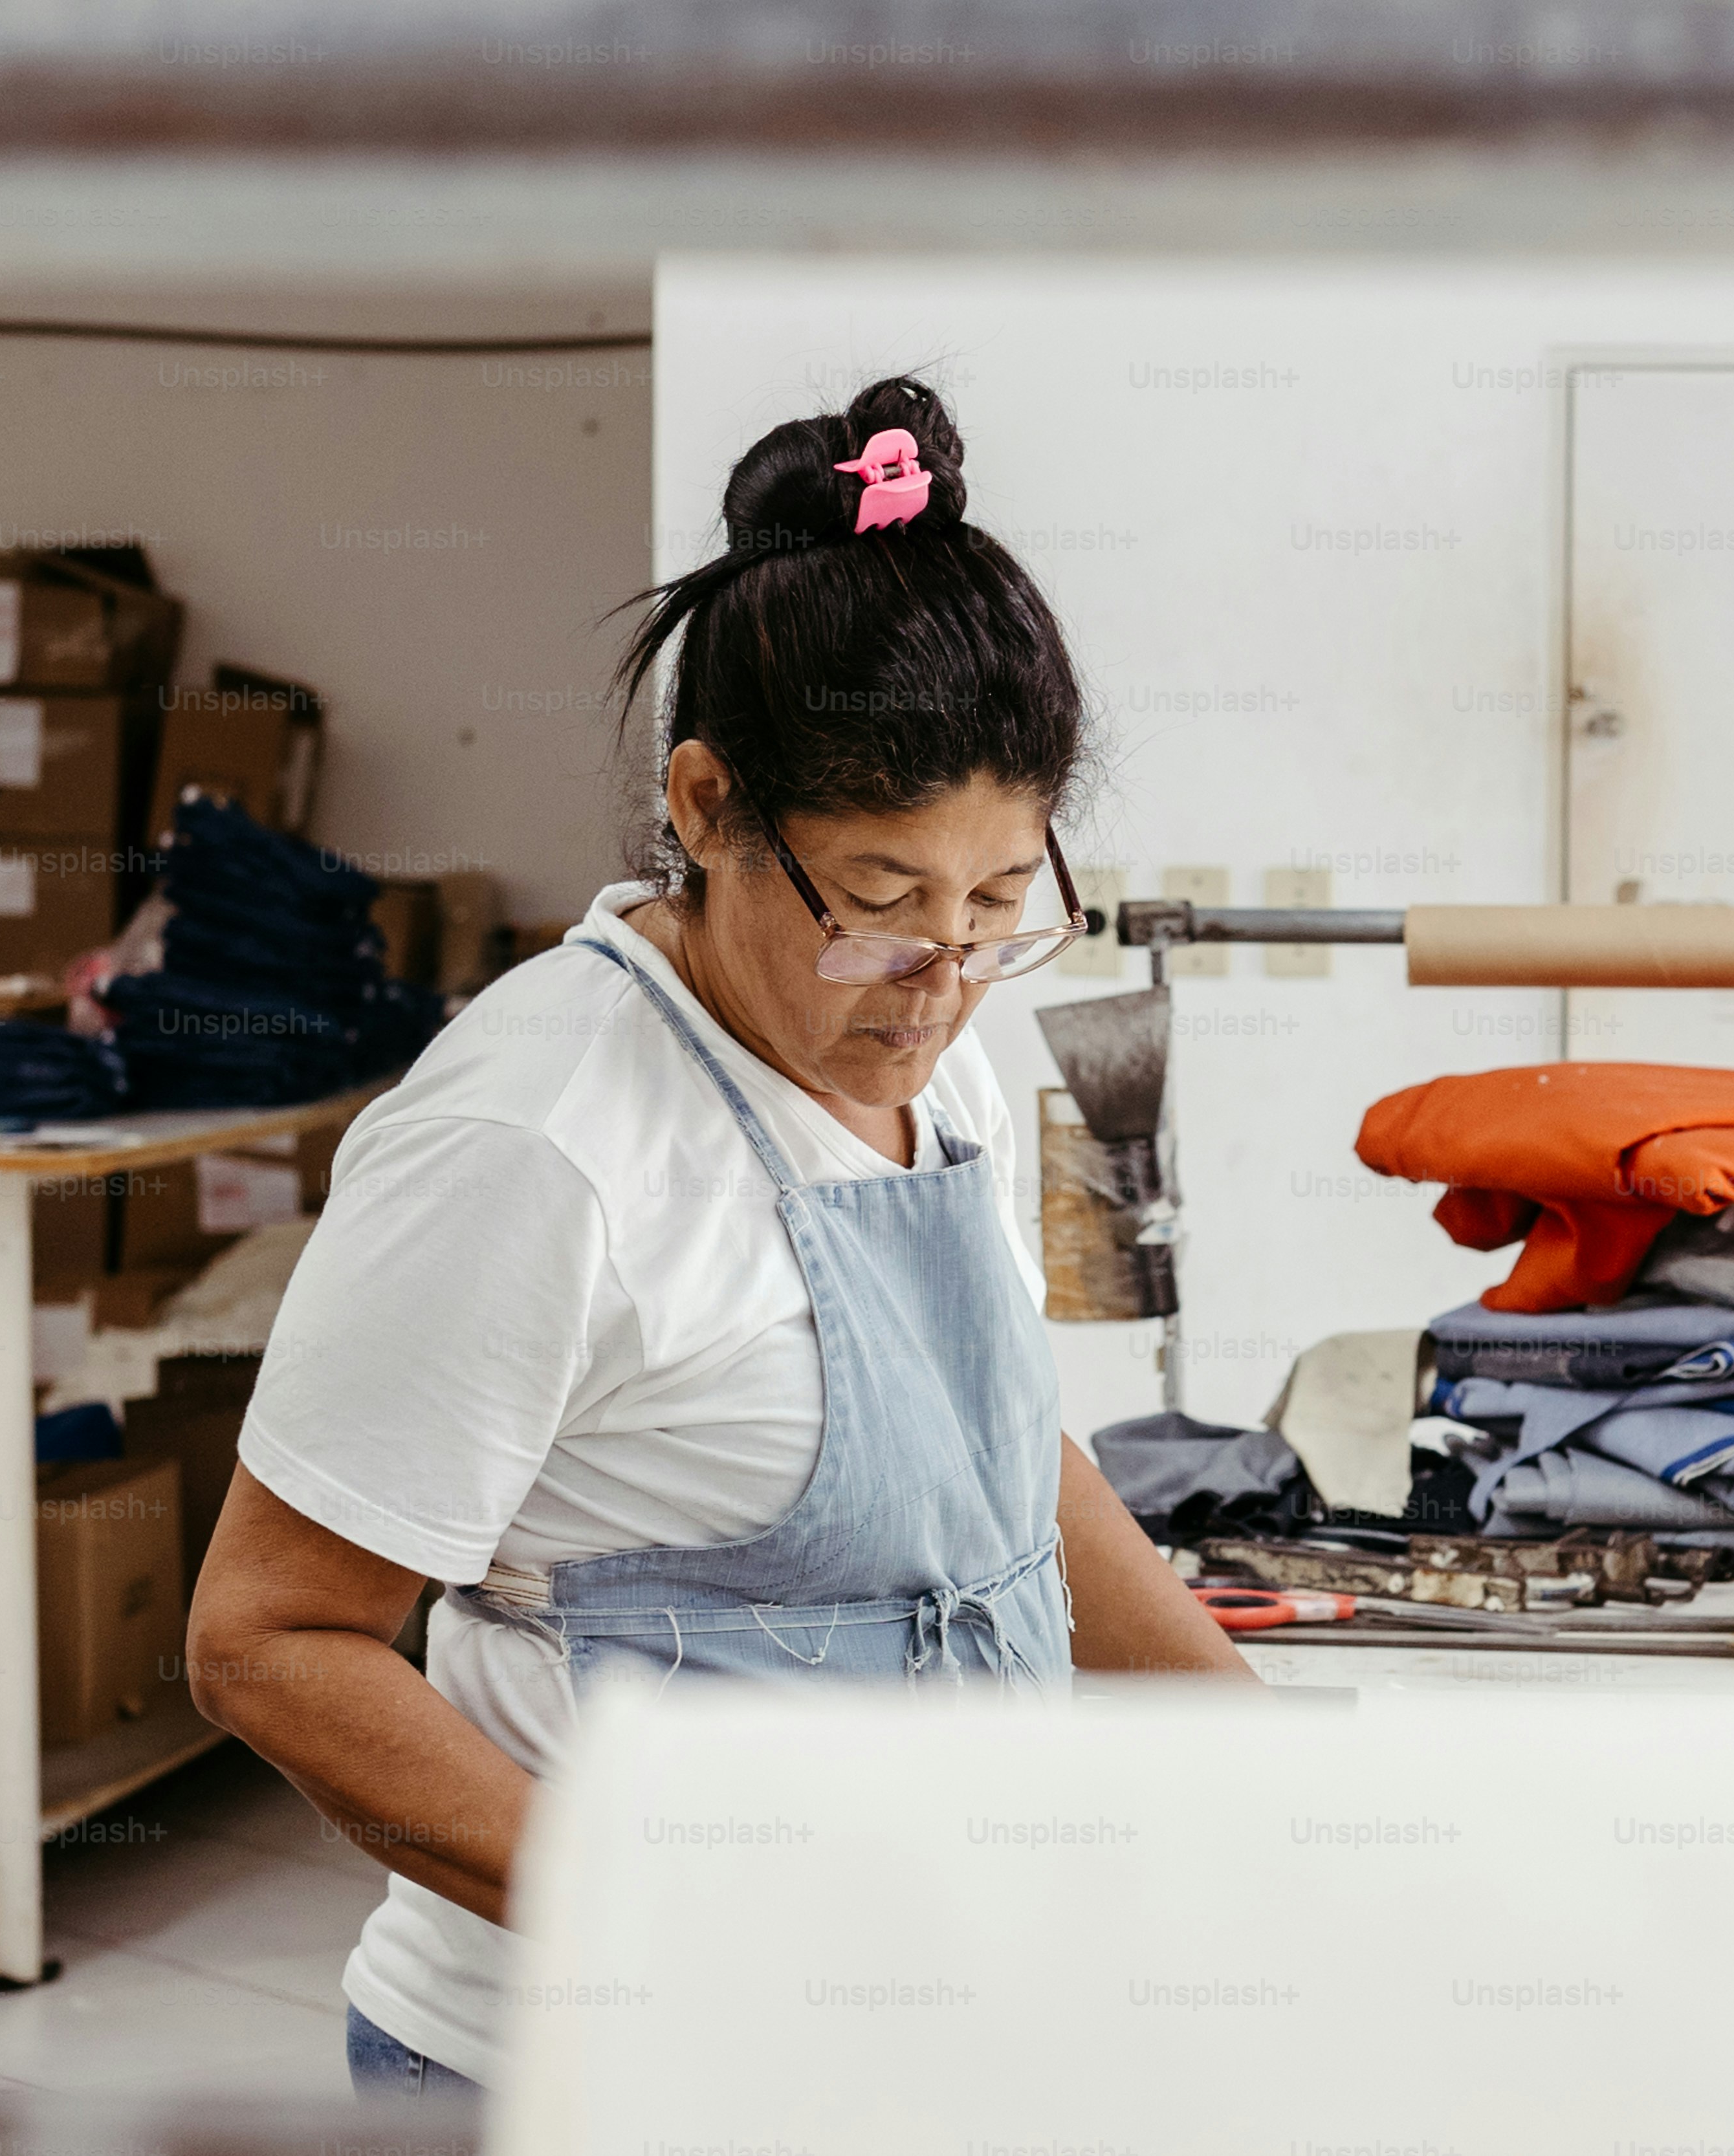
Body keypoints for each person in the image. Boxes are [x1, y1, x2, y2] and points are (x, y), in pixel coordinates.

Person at [186, 376, 1253, 2098]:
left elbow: (999, 1462)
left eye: (998, 905)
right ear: (703, 806)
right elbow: (267, 1644)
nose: (942, 981)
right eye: (883, 903)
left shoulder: (944, 1059)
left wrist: (1252, 1773)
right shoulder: (538, 1141)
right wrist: (671, 1929)